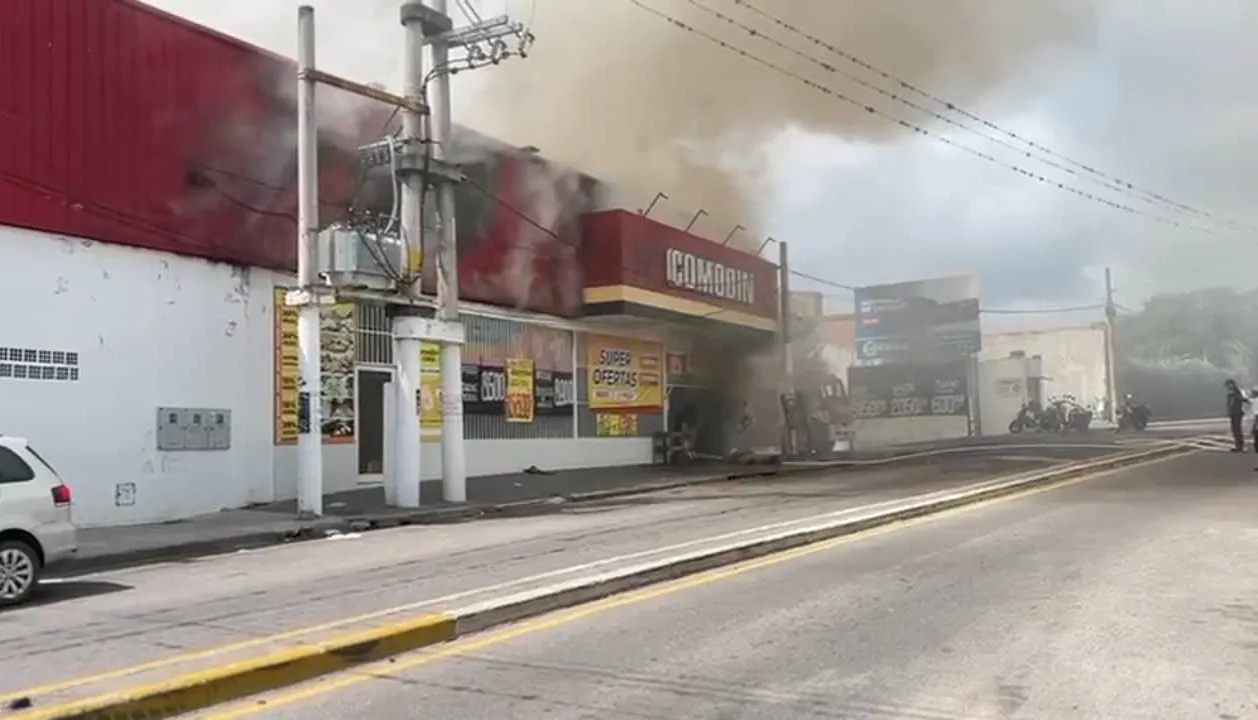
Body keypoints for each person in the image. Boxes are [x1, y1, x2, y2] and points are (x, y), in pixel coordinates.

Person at [1225, 379, 1249, 451]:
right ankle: (1237, 445)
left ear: (1232, 384)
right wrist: (1229, 412)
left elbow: (1243, 399)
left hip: (1237, 413)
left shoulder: (1237, 392)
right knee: (1234, 430)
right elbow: (1229, 404)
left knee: (1237, 430)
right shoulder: (1231, 394)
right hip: (1233, 413)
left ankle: (1240, 446)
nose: (1228, 387)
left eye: (1228, 385)